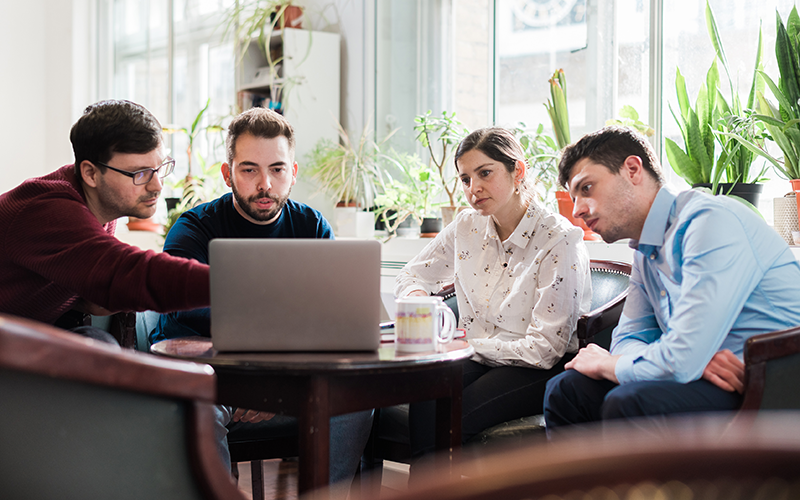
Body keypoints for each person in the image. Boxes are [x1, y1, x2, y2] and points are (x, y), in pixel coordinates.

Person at [150, 107, 372, 487]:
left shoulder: (311, 225)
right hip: (210, 369)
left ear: (293, 173)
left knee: (356, 397)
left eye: (278, 169)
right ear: (228, 173)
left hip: (287, 372)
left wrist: (275, 383)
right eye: (249, 169)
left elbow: (326, 315)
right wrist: (256, 379)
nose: (265, 183)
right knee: (200, 409)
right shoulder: (193, 229)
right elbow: (185, 311)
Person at [543, 126, 800, 431]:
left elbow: (681, 356)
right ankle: (581, 482)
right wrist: (690, 360)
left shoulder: (709, 223)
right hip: (703, 373)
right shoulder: (645, 249)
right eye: (573, 198)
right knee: (566, 391)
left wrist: (620, 363)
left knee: (629, 401)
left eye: (586, 188)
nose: (577, 210)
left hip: (764, 385)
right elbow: (629, 338)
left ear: (633, 169)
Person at [395, 127, 592, 456]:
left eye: (485, 173)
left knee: (453, 415)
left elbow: (545, 350)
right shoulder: (466, 226)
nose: (474, 189)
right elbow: (412, 274)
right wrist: (419, 299)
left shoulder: (558, 239)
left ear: (519, 171)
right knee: (428, 392)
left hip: (536, 366)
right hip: (478, 355)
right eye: (465, 179)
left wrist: (466, 346)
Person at [0, 99, 209, 341]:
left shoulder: (100, 208)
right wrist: (229, 284)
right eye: (140, 173)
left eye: (160, 168)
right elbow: (127, 272)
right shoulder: (47, 211)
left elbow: (97, 292)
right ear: (90, 173)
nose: (157, 185)